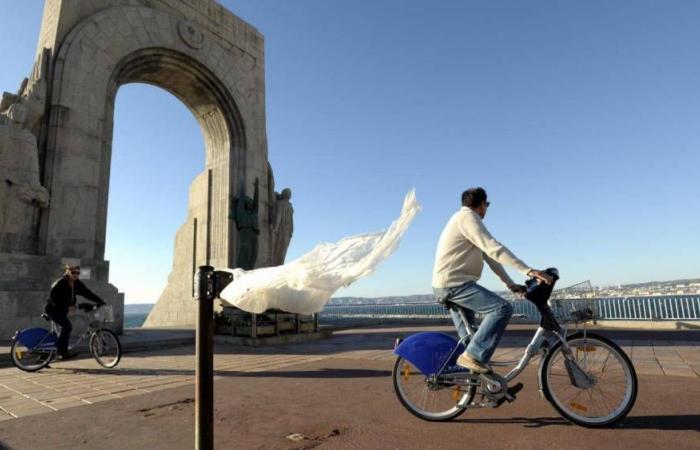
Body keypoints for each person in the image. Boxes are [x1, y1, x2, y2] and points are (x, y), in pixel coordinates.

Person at [432, 187, 553, 374]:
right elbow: (493, 248)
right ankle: (472, 358)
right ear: (481, 205)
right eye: (486, 205)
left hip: (449, 284)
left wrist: (510, 284)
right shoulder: (468, 218)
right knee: (502, 309)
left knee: (471, 342)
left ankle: (479, 384)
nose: (486, 209)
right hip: (455, 285)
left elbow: (491, 258)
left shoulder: (463, 220)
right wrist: (528, 270)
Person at [45, 265, 105, 359]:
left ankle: (53, 352)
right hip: (53, 310)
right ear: (68, 272)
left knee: (63, 329)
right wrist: (67, 306)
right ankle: (62, 352)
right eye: (73, 272)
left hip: (63, 310)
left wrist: (100, 301)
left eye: (78, 273)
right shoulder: (61, 283)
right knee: (67, 327)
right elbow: (53, 298)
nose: (75, 274)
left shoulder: (76, 283)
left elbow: (87, 293)